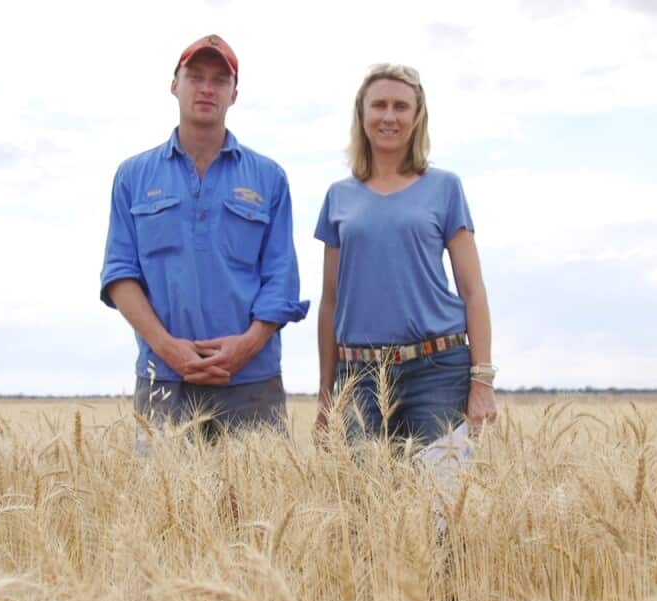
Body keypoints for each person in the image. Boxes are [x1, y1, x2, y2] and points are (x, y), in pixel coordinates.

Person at [100, 34, 309, 437]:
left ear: (234, 94)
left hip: (252, 381)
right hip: (163, 380)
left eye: (220, 80)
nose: (207, 88)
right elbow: (120, 275)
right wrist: (168, 349)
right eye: (195, 77)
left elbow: (281, 277)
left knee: (258, 482)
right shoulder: (133, 176)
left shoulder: (269, 178)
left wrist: (246, 347)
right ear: (174, 85)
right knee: (159, 483)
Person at [315, 63, 497, 445]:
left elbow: (472, 290)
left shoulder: (445, 188)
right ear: (362, 114)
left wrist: (482, 380)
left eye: (401, 107)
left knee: (441, 484)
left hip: (437, 372)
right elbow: (331, 300)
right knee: (360, 485)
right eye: (379, 105)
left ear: (417, 117)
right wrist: (326, 393)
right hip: (358, 378)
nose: (389, 116)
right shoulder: (338, 197)